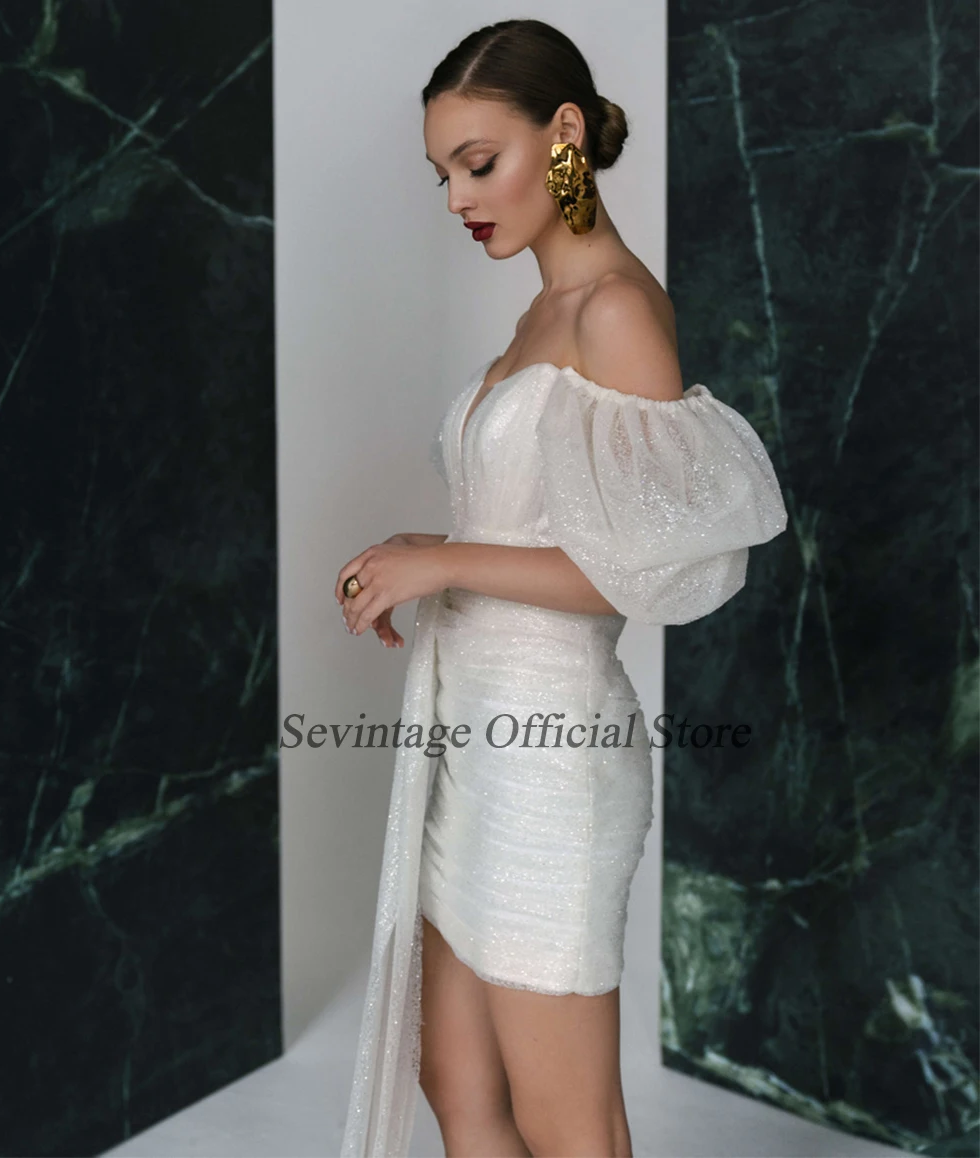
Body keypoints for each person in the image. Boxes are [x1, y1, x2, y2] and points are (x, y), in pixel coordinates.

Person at [337, 18, 788, 1158]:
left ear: (565, 134)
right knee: (454, 1078)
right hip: (474, 738)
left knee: (567, 1121)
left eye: (477, 163)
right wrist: (424, 550)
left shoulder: (614, 309)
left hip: (552, 761)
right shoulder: (541, 308)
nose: (456, 199)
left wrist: (443, 564)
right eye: (442, 174)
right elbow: (537, 524)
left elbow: (644, 568)